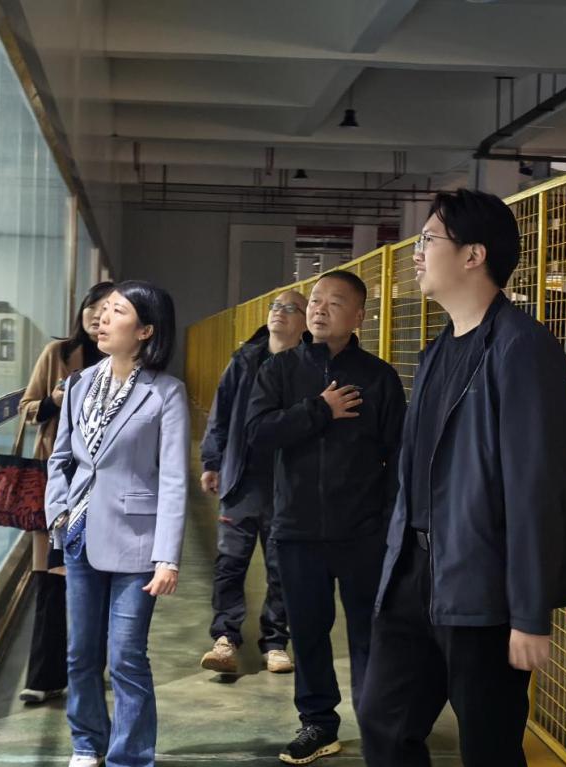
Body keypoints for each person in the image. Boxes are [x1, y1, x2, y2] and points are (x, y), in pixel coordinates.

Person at [357, 189, 566, 767]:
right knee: (383, 723)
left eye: (427, 239)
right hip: (415, 573)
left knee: (488, 745)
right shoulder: (437, 351)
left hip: (482, 584)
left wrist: (529, 613)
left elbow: (536, 488)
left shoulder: (521, 347)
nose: (416, 253)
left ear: (473, 254)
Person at [246, 271, 406, 765]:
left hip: (363, 533)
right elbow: (257, 433)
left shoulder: (378, 377)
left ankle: (378, 725)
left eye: (334, 302)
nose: (318, 308)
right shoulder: (279, 370)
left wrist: (387, 524)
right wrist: (318, 410)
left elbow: (398, 455)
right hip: (297, 530)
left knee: (370, 634)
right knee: (309, 632)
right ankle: (318, 724)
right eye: (315, 300)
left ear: (359, 317)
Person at [45, 281, 189, 767]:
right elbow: (61, 458)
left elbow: (173, 478)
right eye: (103, 310)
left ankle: (130, 757)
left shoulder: (166, 393)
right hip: (79, 534)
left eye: (117, 311)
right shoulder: (79, 384)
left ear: (146, 330)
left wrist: (167, 557)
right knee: (80, 653)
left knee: (126, 656)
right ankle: (87, 743)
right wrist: (58, 514)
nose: (103, 319)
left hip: (137, 540)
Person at [199, 290, 307, 675]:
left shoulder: (311, 365)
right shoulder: (244, 360)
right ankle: (225, 638)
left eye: (291, 308)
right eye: (276, 306)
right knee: (230, 563)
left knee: (282, 568)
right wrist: (212, 462)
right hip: (242, 480)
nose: (279, 312)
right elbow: (221, 413)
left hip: (288, 485)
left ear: (305, 321)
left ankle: (275, 642)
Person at [16, 281, 114, 704]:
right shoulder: (58, 353)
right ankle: (44, 678)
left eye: (109, 309)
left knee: (100, 579)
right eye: (93, 307)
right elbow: (27, 406)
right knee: (51, 582)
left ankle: (90, 670)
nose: (98, 316)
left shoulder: (126, 361)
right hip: (59, 481)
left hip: (106, 485)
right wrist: (54, 401)